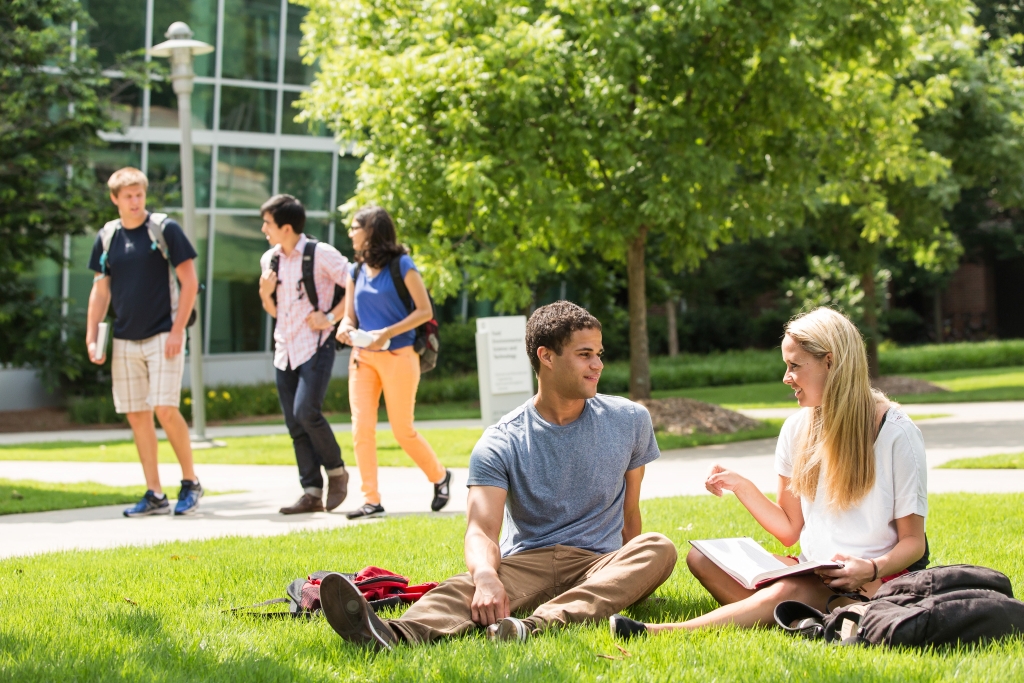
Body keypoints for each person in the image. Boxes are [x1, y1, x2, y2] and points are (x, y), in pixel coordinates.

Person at [318, 301, 678, 650]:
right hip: (528, 563)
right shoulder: (501, 440)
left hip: (598, 564)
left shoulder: (629, 420)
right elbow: (481, 529)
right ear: (546, 356)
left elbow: (630, 516)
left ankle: (533, 626)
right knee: (466, 586)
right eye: (585, 354)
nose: (598, 364)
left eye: (599, 354)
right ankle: (391, 634)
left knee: (658, 548)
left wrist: (631, 579)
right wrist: (487, 577)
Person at [610, 307, 928, 639]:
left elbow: (913, 542)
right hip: (812, 569)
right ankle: (810, 618)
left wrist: (870, 568)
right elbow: (789, 529)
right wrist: (742, 486)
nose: (786, 377)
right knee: (702, 559)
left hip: (873, 580)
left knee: (785, 591)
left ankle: (659, 631)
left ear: (830, 362)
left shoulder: (897, 432)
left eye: (794, 366)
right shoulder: (796, 428)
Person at [86, 167, 203, 516]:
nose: (135, 201)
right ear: (115, 199)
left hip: (164, 334)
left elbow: (190, 282)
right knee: (137, 416)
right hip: (124, 338)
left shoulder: (164, 229)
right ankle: (155, 493)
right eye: (128, 196)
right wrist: (92, 336)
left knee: (164, 408)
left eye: (139, 195)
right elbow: (100, 291)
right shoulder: (107, 236)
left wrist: (178, 330)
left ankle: (190, 482)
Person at [333, 206, 450, 519]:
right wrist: (345, 327)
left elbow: (424, 311)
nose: (350, 233)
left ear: (371, 230)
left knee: (402, 430)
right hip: (363, 359)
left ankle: (440, 476)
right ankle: (371, 499)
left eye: (355, 227)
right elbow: (349, 315)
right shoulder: (355, 270)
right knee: (361, 428)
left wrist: (387, 332)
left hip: (399, 356)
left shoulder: (402, 265)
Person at [258, 194, 350, 514]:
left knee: (306, 411)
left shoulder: (320, 253)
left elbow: (355, 282)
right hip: (284, 348)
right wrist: (265, 292)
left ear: (286, 227)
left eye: (267, 224)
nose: (263, 229)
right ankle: (311, 492)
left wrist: (331, 317)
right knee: (294, 423)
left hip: (316, 345)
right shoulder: (270, 259)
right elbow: (273, 309)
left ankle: (337, 472)